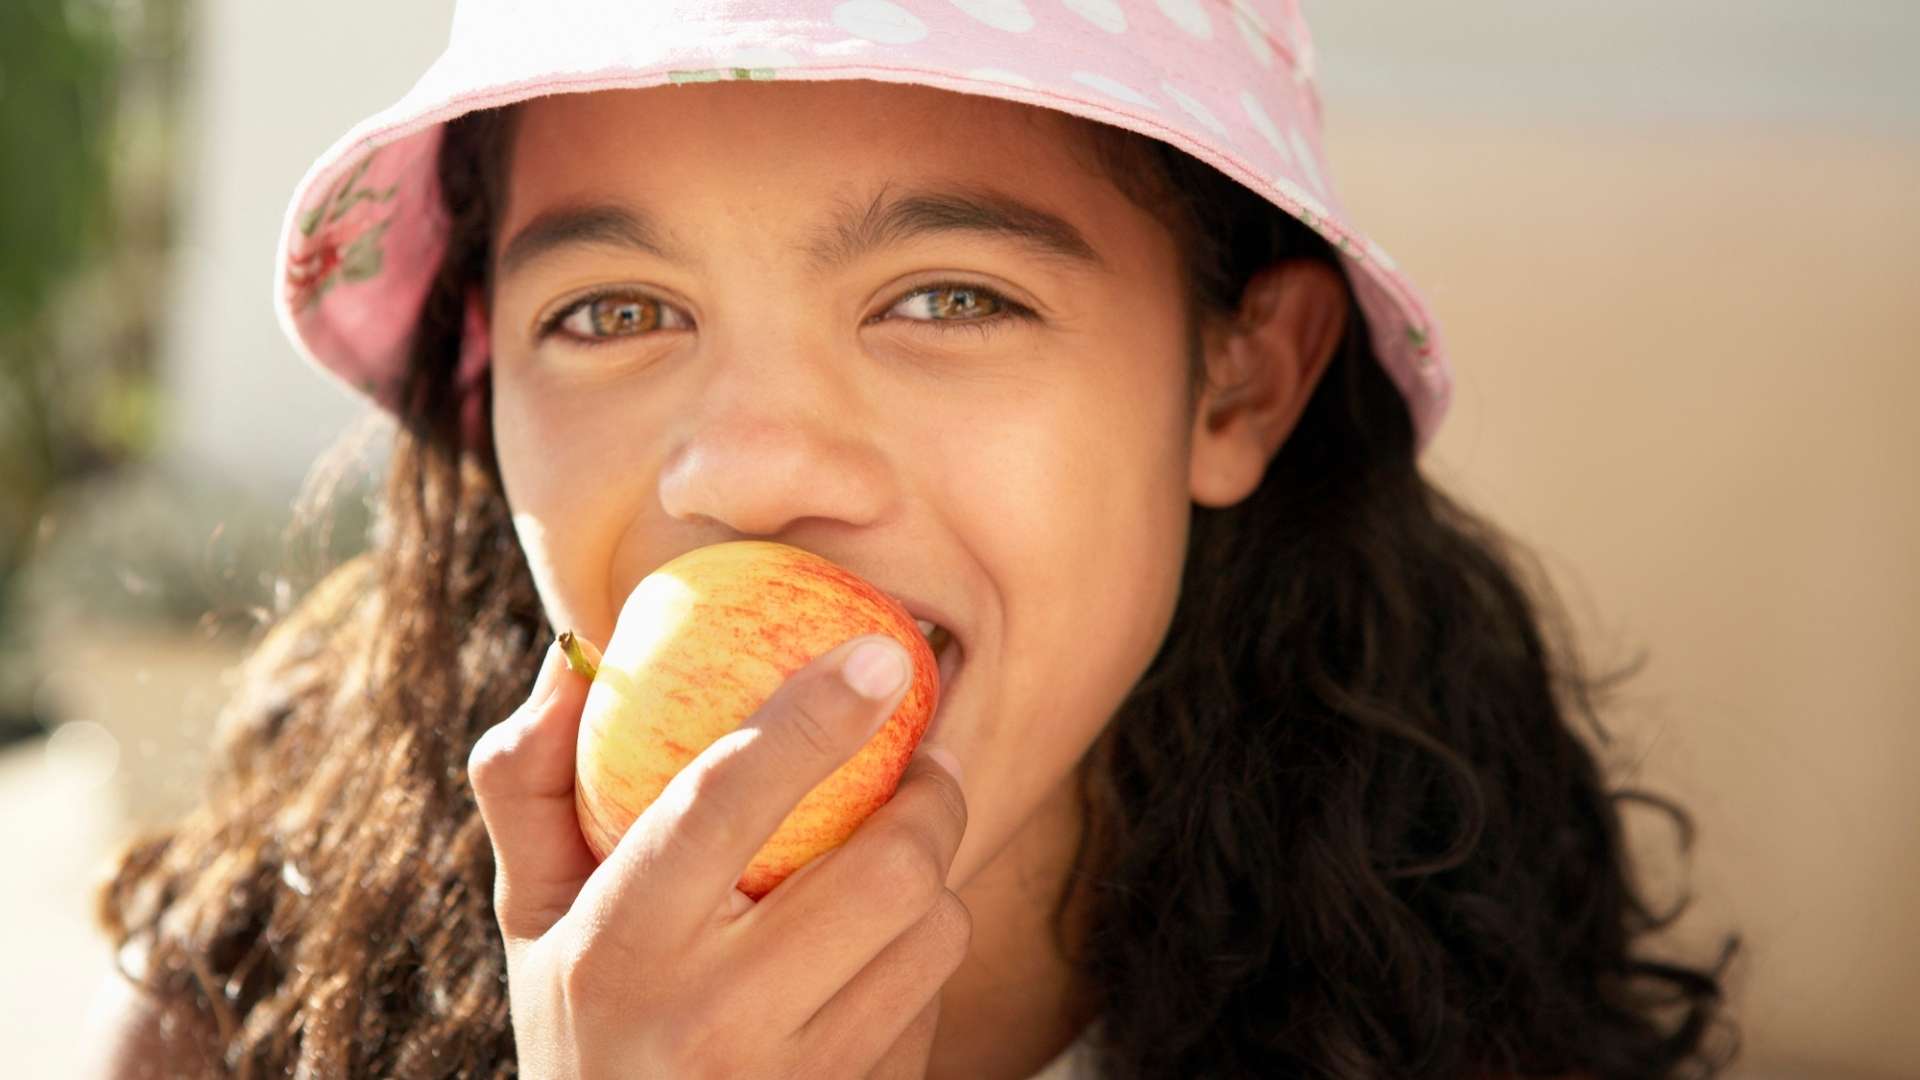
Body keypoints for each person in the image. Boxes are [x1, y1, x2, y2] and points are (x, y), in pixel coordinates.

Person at [85, 1, 1739, 1076]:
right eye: (611, 310)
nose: (746, 472)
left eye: (949, 296)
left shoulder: (1472, 1021)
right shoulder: (244, 1002)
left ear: (1239, 385)